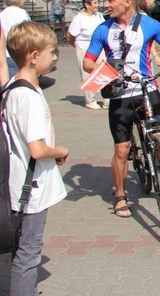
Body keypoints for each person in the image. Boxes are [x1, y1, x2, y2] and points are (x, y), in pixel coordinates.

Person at [83, 0, 160, 218]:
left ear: (127, 2)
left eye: (110, 1)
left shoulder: (150, 25)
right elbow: (87, 61)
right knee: (121, 149)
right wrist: (102, 70)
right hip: (120, 95)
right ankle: (120, 196)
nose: (106, 4)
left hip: (147, 90)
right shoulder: (103, 29)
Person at [5, 21, 69, 295]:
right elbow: (37, 149)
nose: (55, 57)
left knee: (22, 248)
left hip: (20, 184)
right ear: (34, 57)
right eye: (52, 52)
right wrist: (60, 151)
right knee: (28, 253)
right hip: (30, 190)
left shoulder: (12, 86)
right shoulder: (28, 97)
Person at [66, 0, 107, 110]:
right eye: (95, 3)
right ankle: (90, 100)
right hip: (84, 48)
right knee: (87, 74)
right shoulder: (79, 18)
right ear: (87, 5)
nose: (97, 5)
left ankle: (107, 100)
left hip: (99, 48)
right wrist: (76, 46)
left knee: (104, 71)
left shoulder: (98, 16)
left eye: (97, 2)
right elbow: (70, 36)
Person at [0, 0, 31, 77]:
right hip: (17, 53)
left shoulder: (2, 14)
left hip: (3, 54)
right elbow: (28, 32)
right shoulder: (21, 13)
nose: (24, 0)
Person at [135, 0, 160, 67]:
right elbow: (145, 38)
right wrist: (156, 56)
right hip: (143, 56)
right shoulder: (142, 17)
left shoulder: (140, 14)